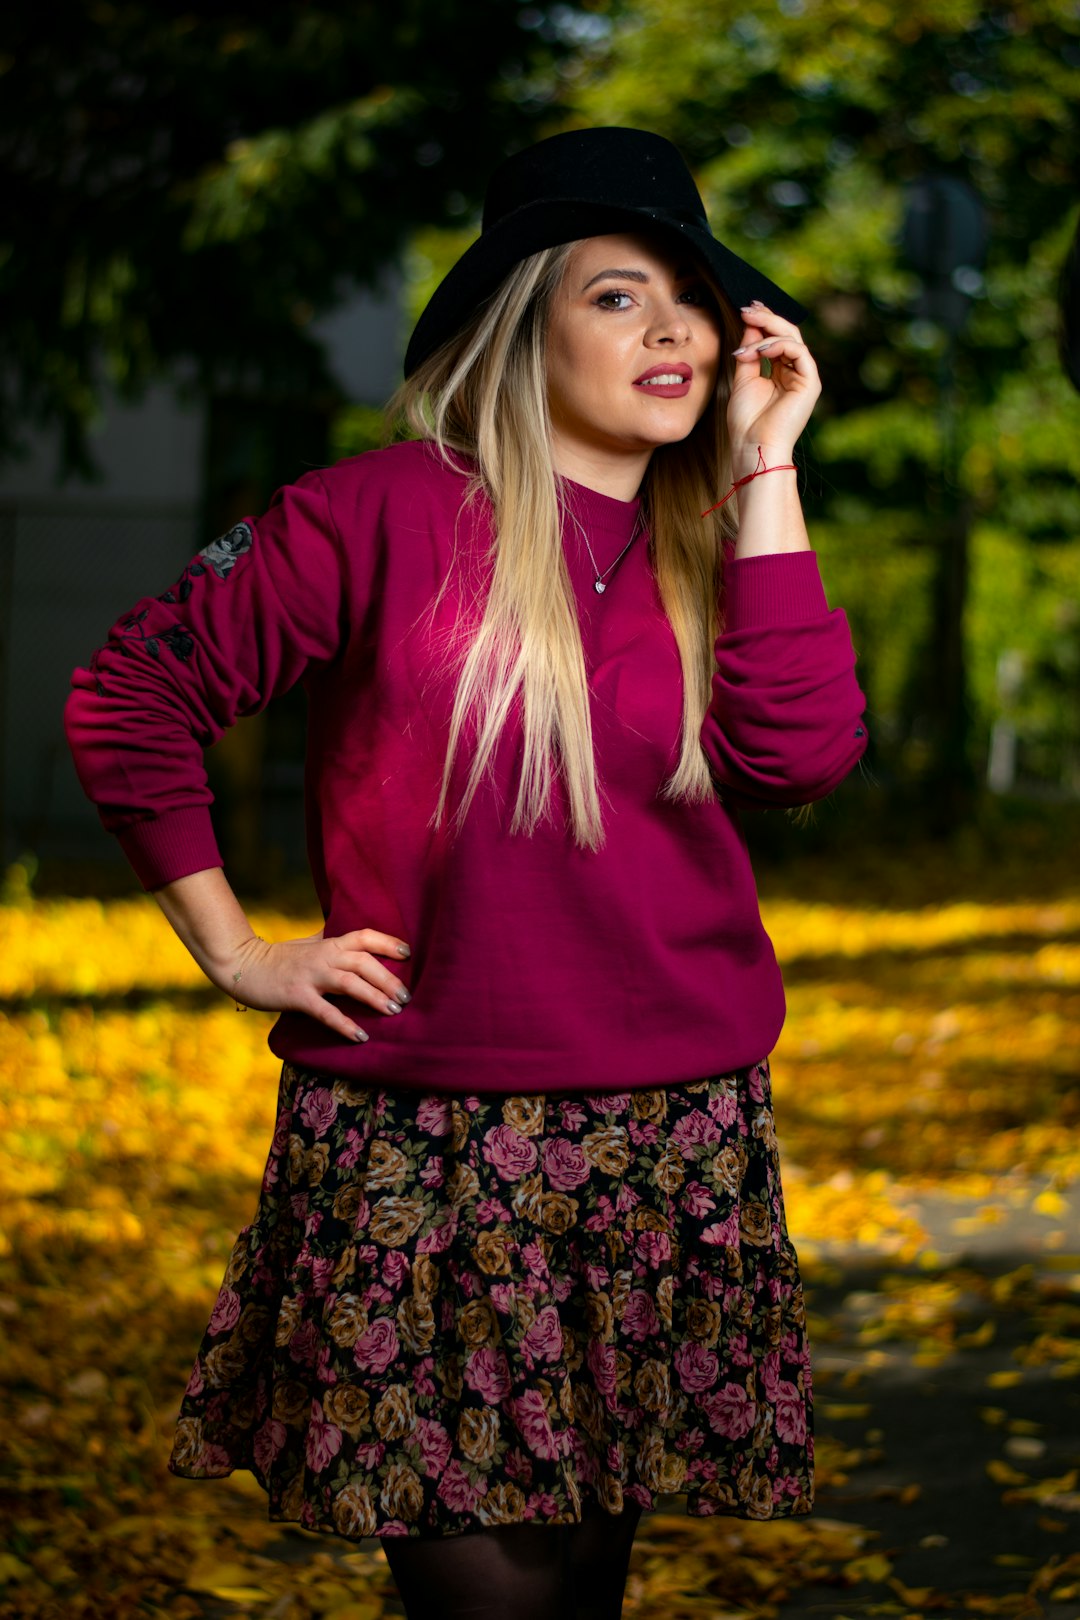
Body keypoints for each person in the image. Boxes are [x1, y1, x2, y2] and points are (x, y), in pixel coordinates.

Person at [65, 126, 867, 1620]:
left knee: (582, 1592)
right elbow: (129, 696)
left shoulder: (717, 536)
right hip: (422, 1147)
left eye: (692, 297)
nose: (676, 326)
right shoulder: (370, 513)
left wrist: (768, 467)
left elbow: (806, 755)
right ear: (522, 321)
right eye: (619, 295)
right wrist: (238, 953)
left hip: (667, 1143)